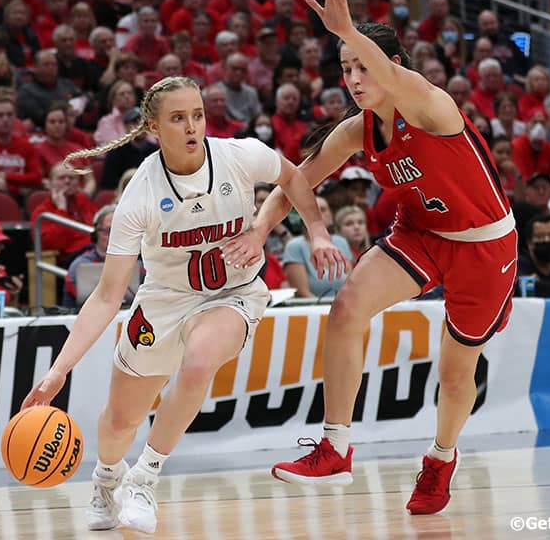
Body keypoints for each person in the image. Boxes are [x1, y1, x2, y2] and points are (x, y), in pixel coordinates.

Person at [222, 0, 518, 515]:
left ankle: (441, 458)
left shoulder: (430, 105)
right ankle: (335, 448)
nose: (354, 79)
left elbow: (394, 74)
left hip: (483, 246)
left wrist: (348, 31)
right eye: (346, 68)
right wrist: (261, 230)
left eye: (363, 66)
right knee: (346, 308)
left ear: (392, 65)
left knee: (455, 374)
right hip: (420, 234)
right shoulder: (356, 130)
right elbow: (294, 181)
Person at [19, 76, 347, 534]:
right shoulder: (140, 195)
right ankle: (107, 478)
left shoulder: (239, 155)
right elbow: (108, 295)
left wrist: (314, 231)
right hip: (164, 302)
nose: (192, 126)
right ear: (154, 127)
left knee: (199, 362)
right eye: (178, 118)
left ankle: (145, 478)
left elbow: (292, 175)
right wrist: (58, 371)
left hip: (232, 293)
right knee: (119, 422)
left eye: (198, 115)